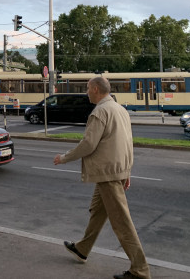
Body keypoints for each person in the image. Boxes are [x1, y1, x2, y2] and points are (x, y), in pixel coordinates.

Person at [53, 76, 151, 279]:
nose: (86, 92)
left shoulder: (100, 112)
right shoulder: (120, 109)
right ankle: (82, 248)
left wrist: (64, 158)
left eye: (88, 88)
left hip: (108, 174)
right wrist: (127, 171)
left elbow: (88, 144)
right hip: (116, 170)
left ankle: (140, 270)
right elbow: (127, 142)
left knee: (122, 222)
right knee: (98, 212)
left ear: (96, 89)